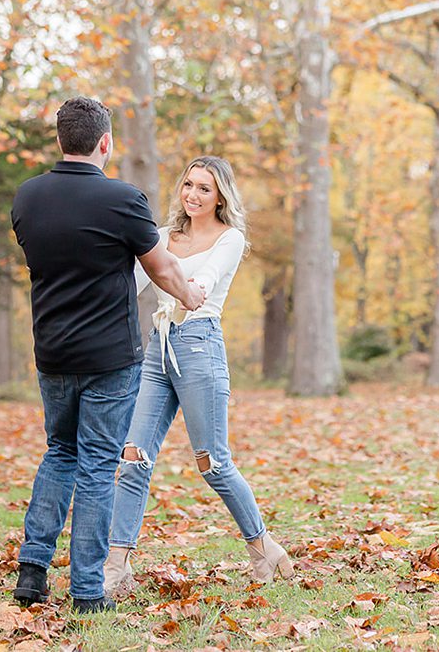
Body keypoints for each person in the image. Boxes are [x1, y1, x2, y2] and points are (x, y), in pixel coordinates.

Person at [9, 97, 206, 613]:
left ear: (60, 140)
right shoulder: (123, 200)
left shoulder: (28, 198)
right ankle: (88, 591)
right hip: (111, 357)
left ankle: (32, 572)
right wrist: (190, 297)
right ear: (105, 143)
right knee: (97, 466)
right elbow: (162, 267)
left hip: (52, 351)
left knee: (60, 452)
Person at [103, 156, 294, 597]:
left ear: (220, 196)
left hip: (200, 346)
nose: (193, 194)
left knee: (213, 462)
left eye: (204, 188)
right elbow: (129, 285)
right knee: (132, 458)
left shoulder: (230, 238)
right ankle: (117, 567)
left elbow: (204, 280)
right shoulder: (163, 237)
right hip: (158, 349)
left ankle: (263, 546)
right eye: (188, 185)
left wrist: (192, 290)